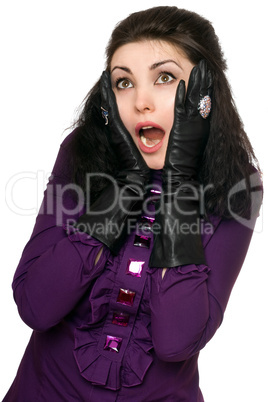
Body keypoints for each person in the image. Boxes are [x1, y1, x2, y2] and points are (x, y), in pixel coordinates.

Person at [3, 6, 262, 402]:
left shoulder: (238, 182)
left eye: (165, 77)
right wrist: (127, 187)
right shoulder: (81, 152)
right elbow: (35, 306)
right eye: (123, 83)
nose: (141, 101)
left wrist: (176, 185)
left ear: (203, 94)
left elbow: (177, 341)